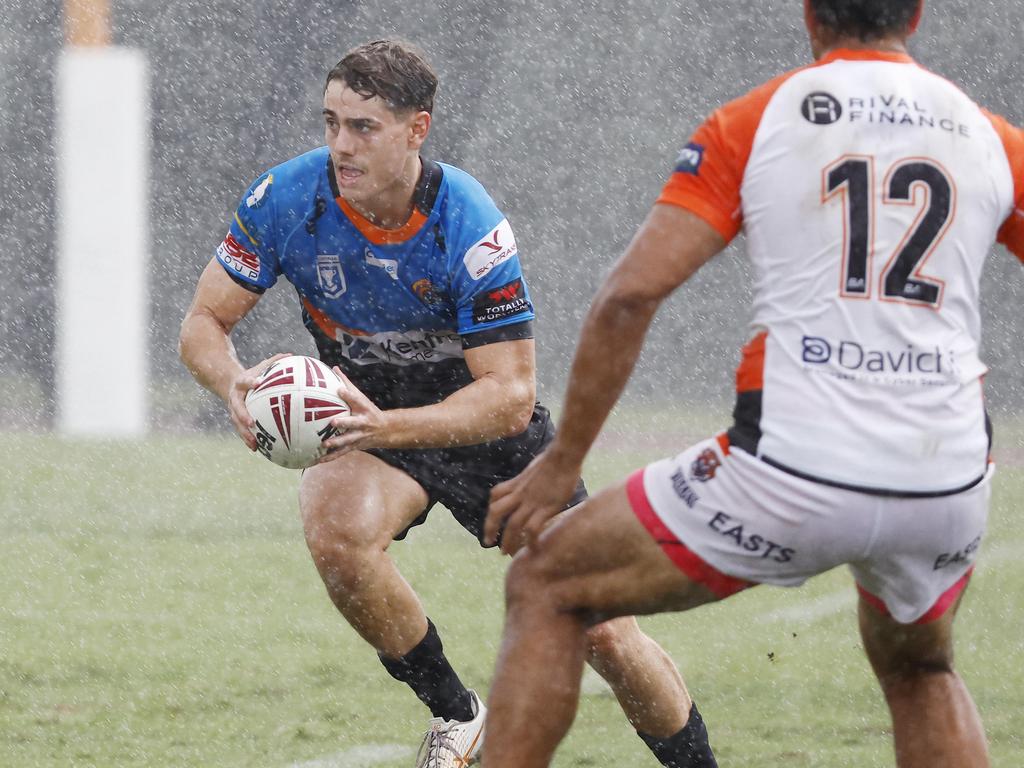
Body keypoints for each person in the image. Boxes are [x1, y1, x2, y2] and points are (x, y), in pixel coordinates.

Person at [482, 1, 1023, 765]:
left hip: (795, 467)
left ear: (809, 13)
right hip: (945, 474)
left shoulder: (758, 119)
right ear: (918, 13)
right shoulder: (990, 136)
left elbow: (628, 296)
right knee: (922, 667)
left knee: (549, 585)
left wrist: (563, 463)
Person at [179, 39, 719, 768]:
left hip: (485, 431)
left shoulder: (469, 222)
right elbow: (203, 325)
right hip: (369, 417)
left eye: (363, 127)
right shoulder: (285, 199)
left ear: (417, 129)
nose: (341, 144)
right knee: (335, 533)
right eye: (332, 122)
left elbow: (508, 396)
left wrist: (387, 425)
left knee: (604, 633)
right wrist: (233, 384)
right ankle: (458, 714)